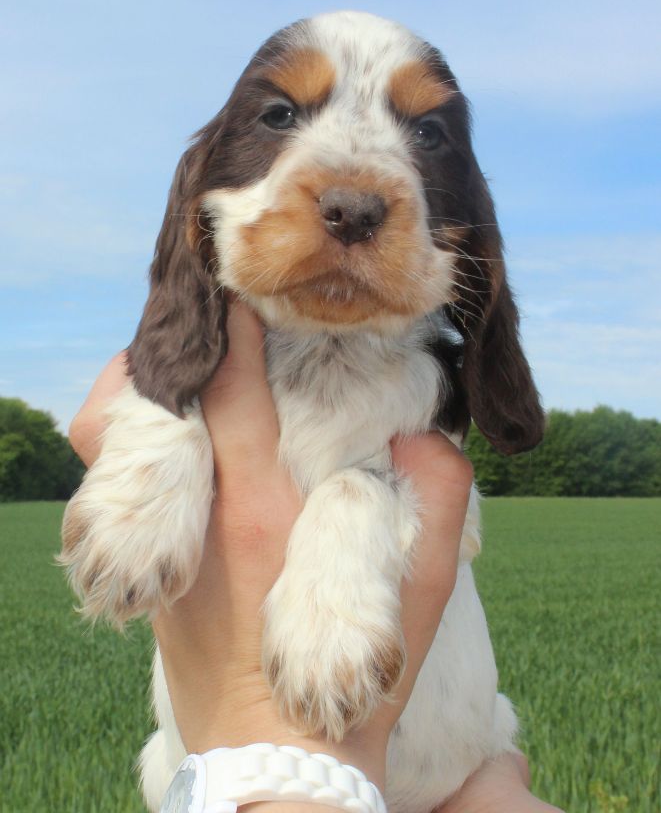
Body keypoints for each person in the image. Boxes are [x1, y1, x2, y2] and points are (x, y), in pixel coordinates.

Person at [69, 304, 562, 813]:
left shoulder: (420, 390)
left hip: (440, 776)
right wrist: (163, 426)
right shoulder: (200, 365)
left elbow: (446, 520)